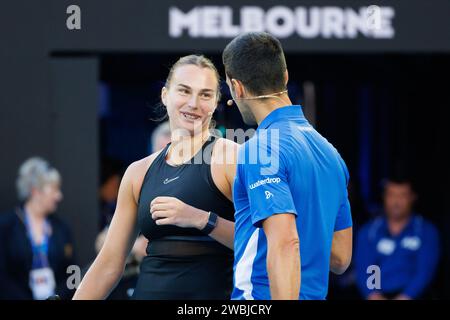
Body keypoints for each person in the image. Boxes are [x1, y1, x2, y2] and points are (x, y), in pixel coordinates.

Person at [73, 54, 238, 300]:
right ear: (165, 95)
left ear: (215, 102)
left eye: (205, 95)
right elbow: (108, 263)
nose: (193, 103)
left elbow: (264, 242)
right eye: (184, 91)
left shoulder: (232, 156)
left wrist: (202, 219)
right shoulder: (138, 172)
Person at [222, 32, 353, 300]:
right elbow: (340, 257)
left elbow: (285, 243)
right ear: (285, 76)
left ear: (238, 88)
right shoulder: (331, 154)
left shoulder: (259, 150)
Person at [0, 157, 75, 300]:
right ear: (35, 191)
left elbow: (73, 273)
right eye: (54, 189)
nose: (59, 196)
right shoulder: (6, 227)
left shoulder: (62, 228)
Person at [355, 177, 440, 300]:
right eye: (391, 195)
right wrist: (373, 295)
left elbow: (425, 271)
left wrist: (406, 296)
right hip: (378, 295)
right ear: (384, 197)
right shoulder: (369, 231)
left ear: (413, 197)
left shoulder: (425, 231)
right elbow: (365, 268)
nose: (396, 201)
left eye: (402, 195)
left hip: (415, 296)